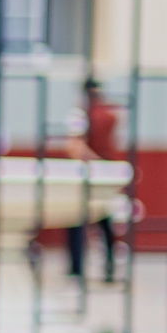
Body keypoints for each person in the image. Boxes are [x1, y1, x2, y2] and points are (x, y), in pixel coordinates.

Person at [61, 76, 122, 283]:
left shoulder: (80, 114)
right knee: (105, 219)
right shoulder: (110, 114)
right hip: (107, 172)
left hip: (86, 172)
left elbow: (74, 147)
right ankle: (110, 265)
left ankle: (77, 268)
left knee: (76, 219)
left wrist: (92, 160)